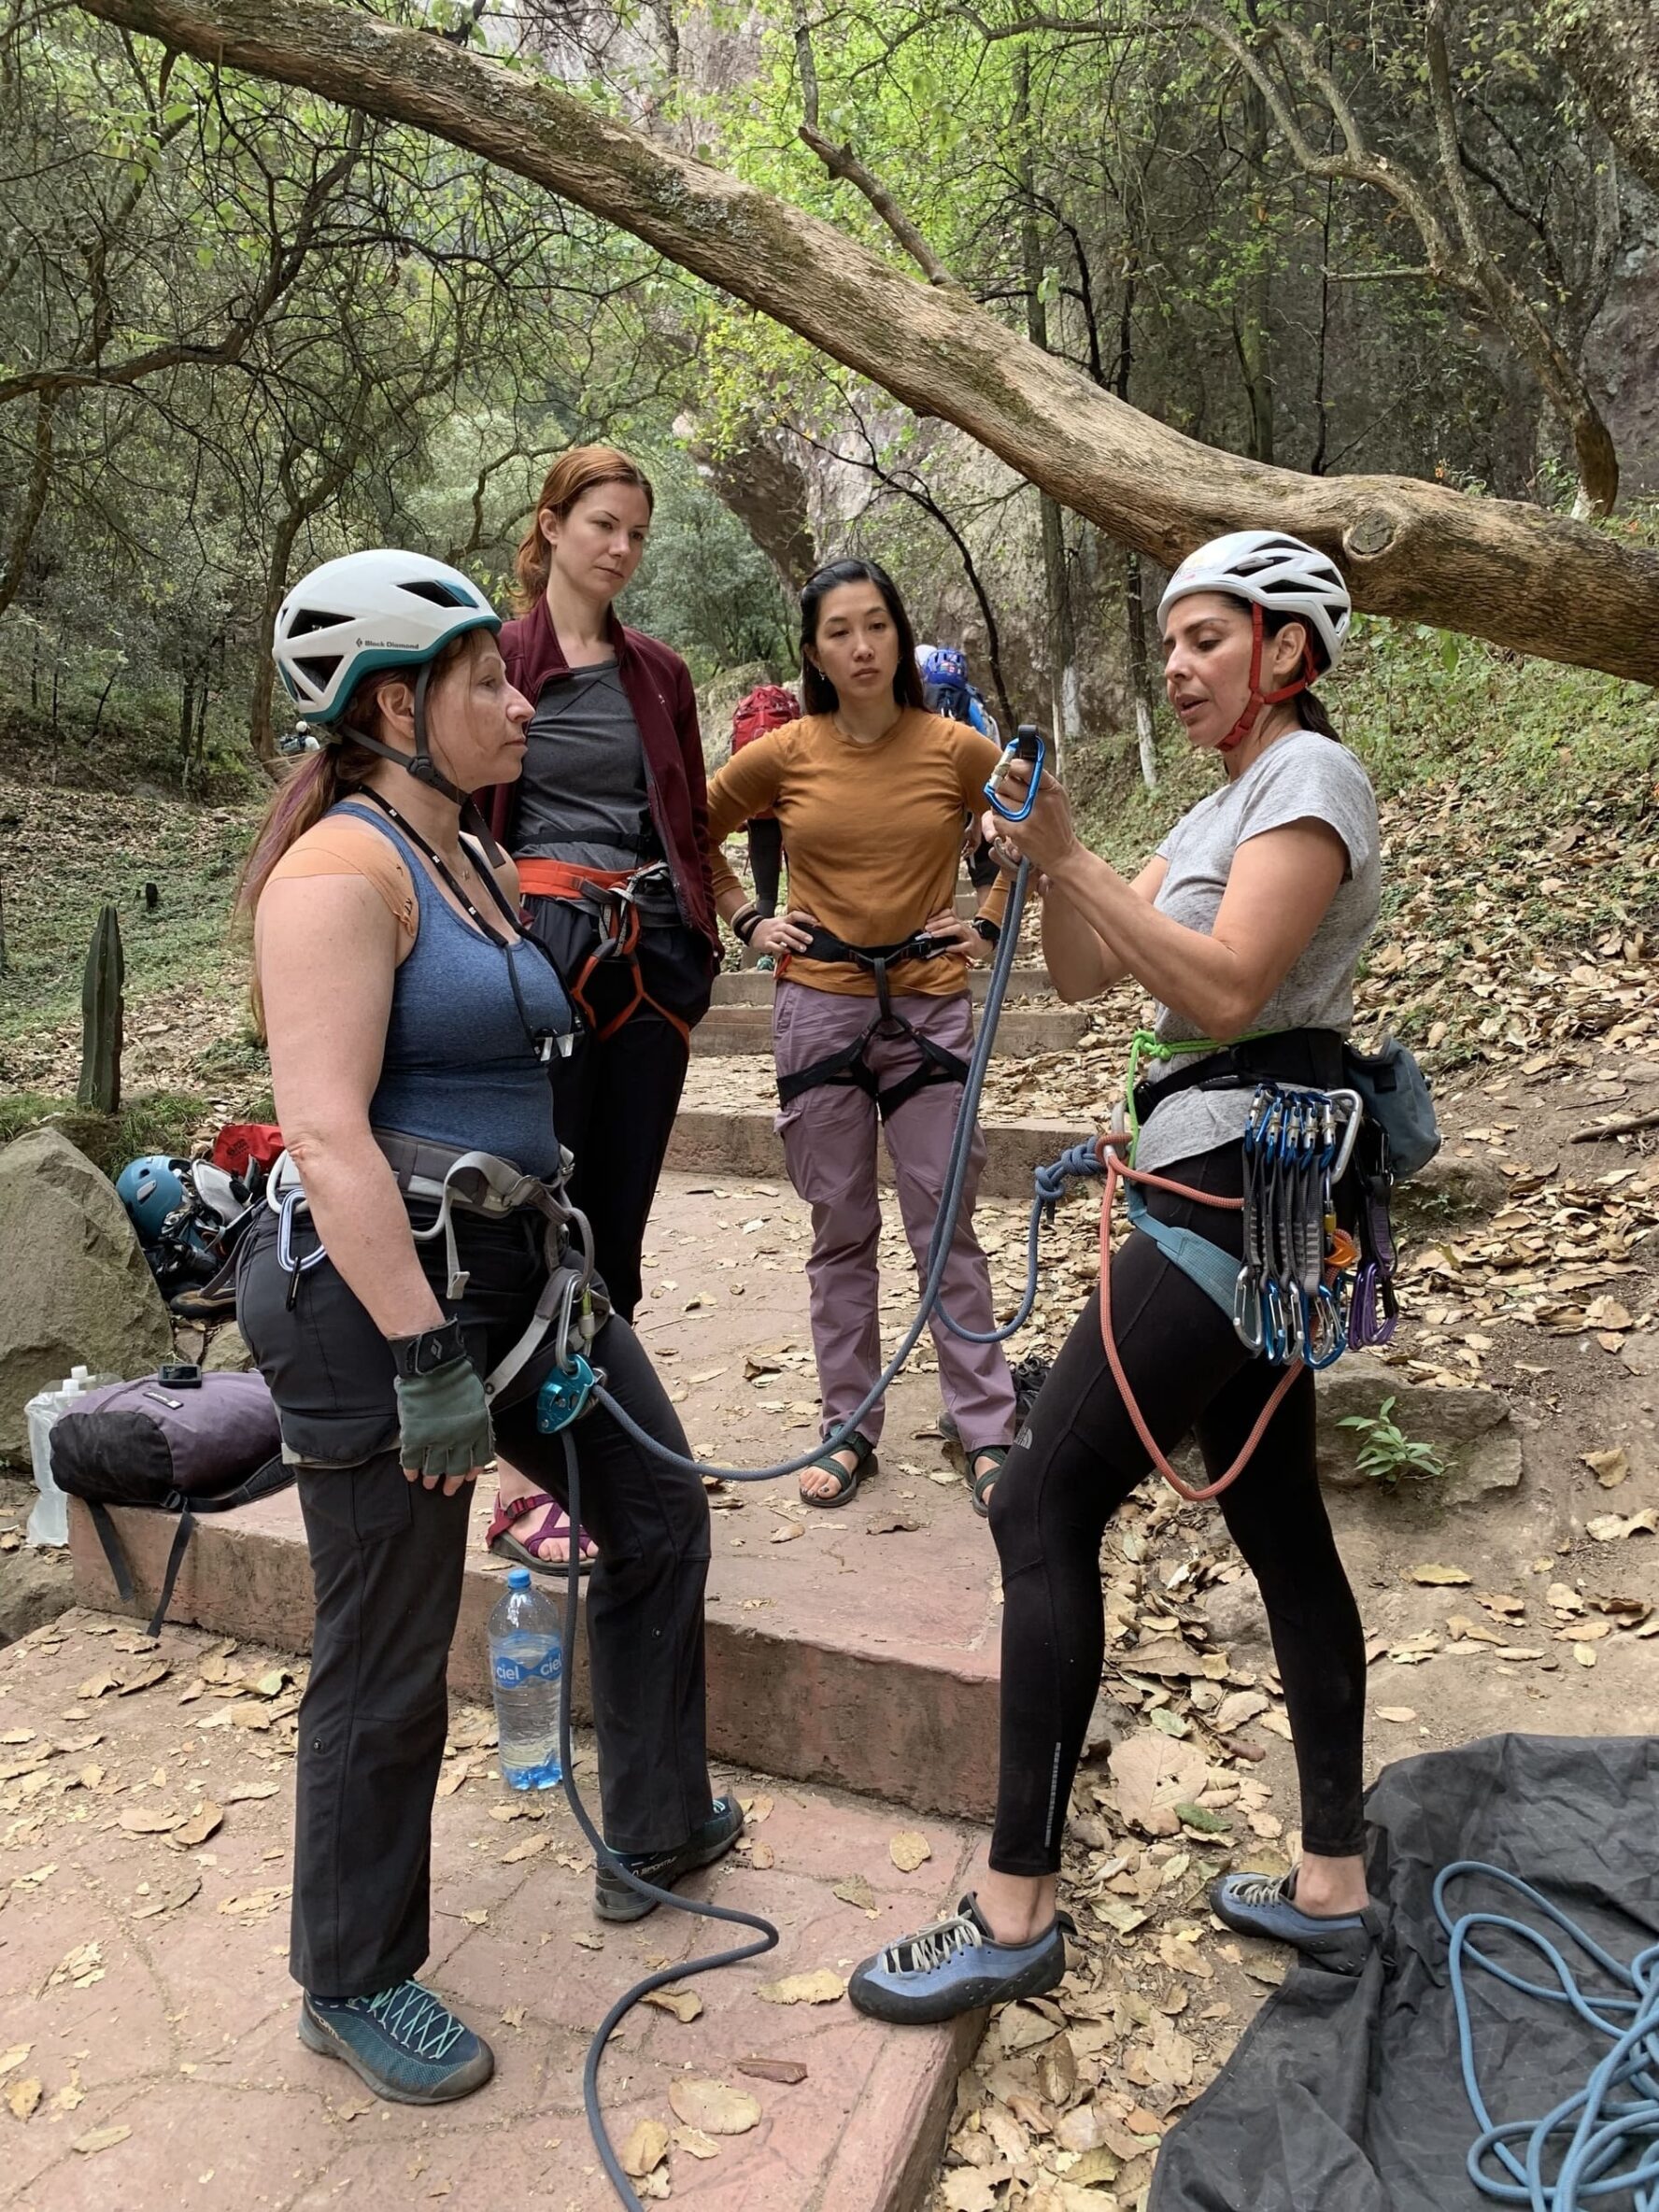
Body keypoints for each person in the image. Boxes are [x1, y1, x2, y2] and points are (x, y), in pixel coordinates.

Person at [848, 531, 1385, 2022]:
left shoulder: (1309, 786)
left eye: (1208, 638)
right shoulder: (1222, 802)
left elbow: (1224, 987)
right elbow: (1095, 979)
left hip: (1227, 1195)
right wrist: (1040, 860)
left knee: (1038, 1497)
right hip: (1239, 1189)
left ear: (1289, 650)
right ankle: (1333, 1883)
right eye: (1168, 644)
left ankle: (1014, 1912)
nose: (1178, 664)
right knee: (1278, 1519)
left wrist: (1077, 856)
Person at [238, 549, 741, 2105]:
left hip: (515, 1271)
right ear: (397, 702)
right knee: (384, 1647)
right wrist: (423, 1354)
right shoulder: (342, 871)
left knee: (654, 1508)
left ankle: (653, 1822)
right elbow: (324, 1134)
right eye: (483, 681)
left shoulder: (455, 848)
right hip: (380, 1303)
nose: (518, 700)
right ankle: (353, 1972)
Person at [703, 559, 1018, 1510]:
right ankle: (848, 1429)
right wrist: (746, 916)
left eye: (876, 624)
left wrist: (993, 917)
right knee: (839, 1227)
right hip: (820, 1007)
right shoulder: (785, 752)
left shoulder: (956, 747)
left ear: (898, 633)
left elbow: (1030, 824)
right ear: (814, 651)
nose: (862, 645)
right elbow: (690, 825)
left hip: (928, 1004)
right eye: (839, 630)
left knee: (945, 1224)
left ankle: (986, 1428)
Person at [474, 446, 718, 1577]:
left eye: (636, 532)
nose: (620, 548)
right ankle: (545, 1466)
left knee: (613, 1221)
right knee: (534, 1215)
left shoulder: (658, 674)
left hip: (644, 959)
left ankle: (610, 1457)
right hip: (536, 955)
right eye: (603, 525)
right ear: (554, 524)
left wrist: (697, 945)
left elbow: (689, 819)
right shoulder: (489, 662)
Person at [728, 683, 800, 968]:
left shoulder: (746, 715)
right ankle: (800, 950)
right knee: (801, 883)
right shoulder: (793, 715)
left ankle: (757, 960)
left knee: (765, 890)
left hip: (759, 812)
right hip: (793, 803)